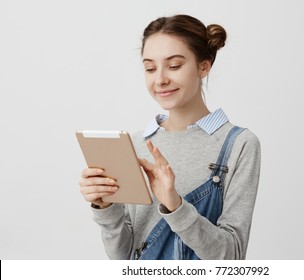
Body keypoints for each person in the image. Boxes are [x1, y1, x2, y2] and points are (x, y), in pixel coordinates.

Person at [79, 14, 261, 260]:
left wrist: (174, 205)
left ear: (203, 66)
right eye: (150, 68)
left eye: (174, 66)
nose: (161, 79)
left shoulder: (239, 144)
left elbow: (231, 256)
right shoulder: (136, 143)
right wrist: (105, 206)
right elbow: (122, 259)